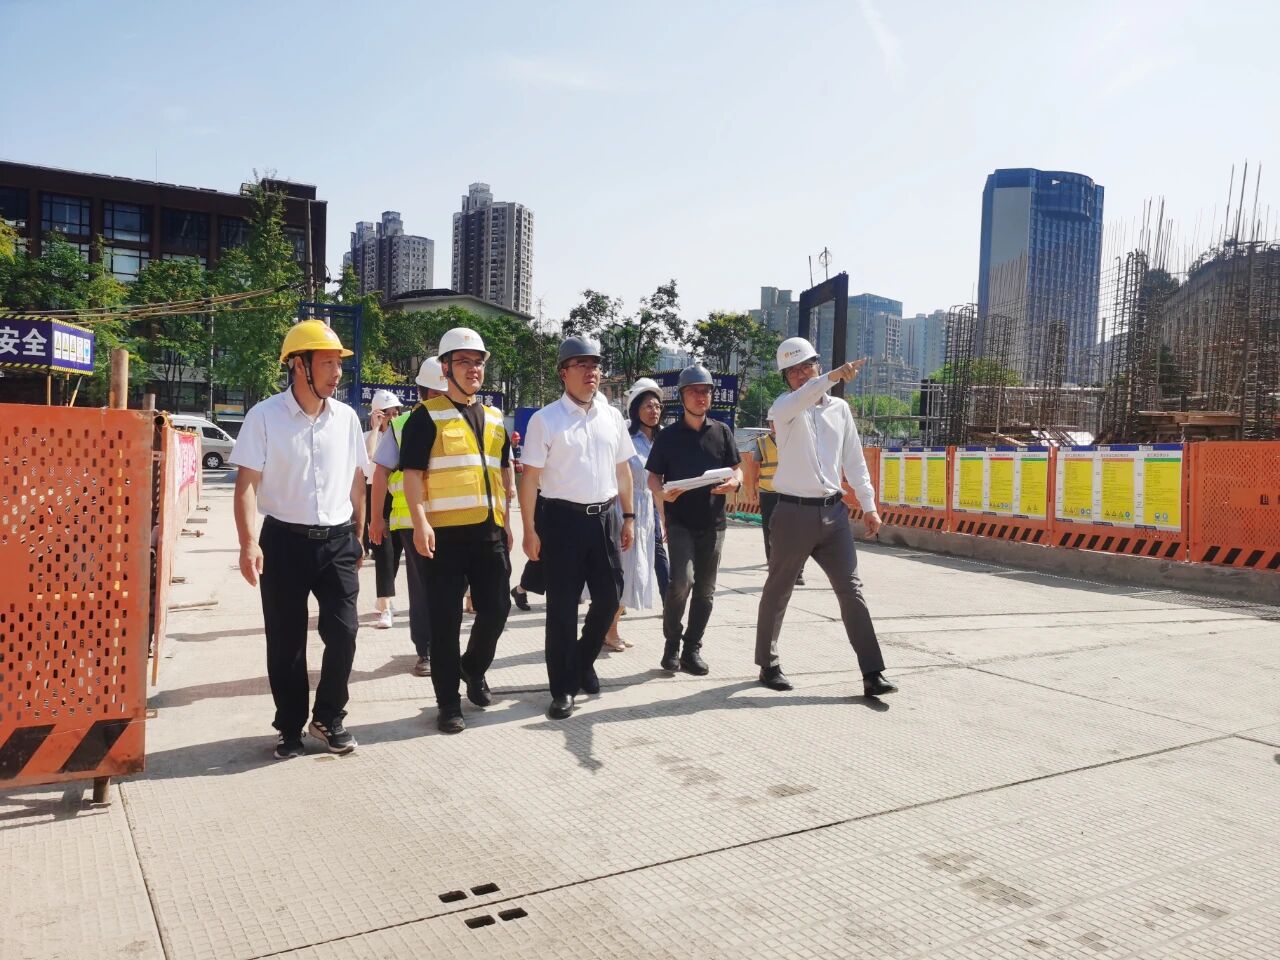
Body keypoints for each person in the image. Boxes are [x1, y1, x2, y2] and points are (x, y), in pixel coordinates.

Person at [230, 319, 368, 759]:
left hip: (338, 541)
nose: (337, 372)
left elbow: (357, 479)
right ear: (298, 365)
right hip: (284, 543)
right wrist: (248, 542)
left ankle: (328, 717)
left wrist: (359, 532)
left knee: (344, 633)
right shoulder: (264, 416)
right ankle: (289, 726)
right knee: (287, 641)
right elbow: (247, 485)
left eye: (339, 363)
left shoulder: (347, 418)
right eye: (327, 363)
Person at [753, 337, 897, 698]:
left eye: (808, 366)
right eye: (793, 371)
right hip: (792, 513)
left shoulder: (840, 410)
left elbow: (854, 459)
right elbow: (806, 396)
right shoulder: (783, 408)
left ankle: (872, 673)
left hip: (833, 514)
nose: (802, 375)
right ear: (786, 378)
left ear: (817, 364)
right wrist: (832, 376)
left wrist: (869, 505)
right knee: (779, 589)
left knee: (851, 590)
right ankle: (768, 664)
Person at [401, 328, 516, 734]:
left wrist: (507, 521)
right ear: (446, 368)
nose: (473, 369)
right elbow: (412, 475)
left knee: (497, 608)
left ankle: (473, 667)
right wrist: (419, 522)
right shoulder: (425, 417)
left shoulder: (495, 418)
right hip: (444, 537)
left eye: (478, 362)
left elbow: (502, 471)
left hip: (489, 532)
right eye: (464, 362)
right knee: (445, 623)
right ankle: (448, 703)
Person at [519, 336, 635, 720]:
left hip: (605, 519)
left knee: (610, 598)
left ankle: (583, 661)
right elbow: (530, 478)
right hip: (561, 522)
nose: (591, 372)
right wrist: (529, 530)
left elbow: (623, 470)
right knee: (563, 610)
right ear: (563, 372)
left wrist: (629, 516)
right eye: (582, 365)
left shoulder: (612, 417)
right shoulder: (546, 420)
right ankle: (562, 688)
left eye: (595, 365)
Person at [644, 365, 743, 676]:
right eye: (694, 391)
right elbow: (652, 477)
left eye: (706, 391)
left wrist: (735, 483)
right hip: (680, 522)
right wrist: (662, 493)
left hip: (714, 523)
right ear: (682, 396)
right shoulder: (668, 437)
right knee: (681, 582)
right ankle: (672, 643)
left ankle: (692, 649)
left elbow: (737, 469)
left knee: (705, 591)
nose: (701, 396)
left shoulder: (722, 432)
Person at [369, 358, 447, 676]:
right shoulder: (402, 426)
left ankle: (445, 646)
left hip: (455, 519)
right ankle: (426, 651)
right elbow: (380, 473)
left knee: (452, 587)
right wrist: (376, 519)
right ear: (421, 392)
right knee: (423, 589)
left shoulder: (462, 420)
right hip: (411, 521)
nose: (441, 399)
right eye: (435, 393)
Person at [603, 377, 663, 651]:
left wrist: (664, 519)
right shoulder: (626, 438)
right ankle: (608, 629)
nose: (654, 411)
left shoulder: (660, 441)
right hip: (626, 510)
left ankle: (609, 627)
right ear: (636, 409)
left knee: (636, 573)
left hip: (647, 514)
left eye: (657, 406)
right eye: (648, 405)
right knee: (622, 573)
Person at [743, 420, 805, 586]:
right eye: (773, 422)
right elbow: (754, 467)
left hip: (791, 491)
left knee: (794, 531)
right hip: (768, 491)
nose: (775, 425)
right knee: (770, 530)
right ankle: (773, 564)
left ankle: (797, 571)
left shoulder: (795, 439)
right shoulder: (762, 442)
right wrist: (752, 488)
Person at [364, 389, 404, 628]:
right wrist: (376, 428)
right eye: (386, 413)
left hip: (397, 496)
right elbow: (369, 457)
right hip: (376, 497)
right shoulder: (369, 436)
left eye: (395, 412)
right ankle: (386, 607)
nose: (392, 417)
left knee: (396, 552)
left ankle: (384, 599)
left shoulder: (401, 434)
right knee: (384, 552)